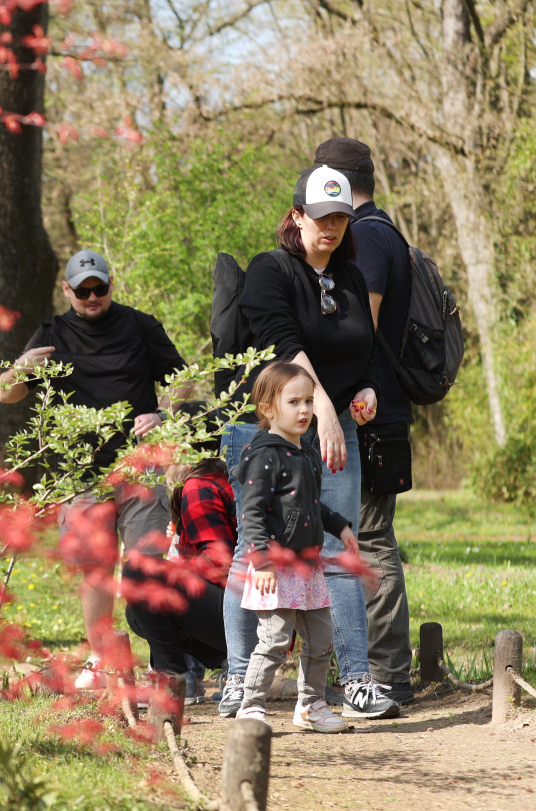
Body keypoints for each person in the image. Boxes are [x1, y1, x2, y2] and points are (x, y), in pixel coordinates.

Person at [217, 165, 401, 720]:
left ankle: (355, 681)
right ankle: (238, 679)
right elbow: (283, 343)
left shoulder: (349, 278)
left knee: (340, 551)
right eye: (321, 216)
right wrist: (320, 407)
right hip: (266, 428)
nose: (331, 226)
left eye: (340, 216)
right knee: (254, 553)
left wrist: (365, 389)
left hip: (334, 424)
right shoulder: (269, 270)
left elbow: (365, 348)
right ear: (297, 216)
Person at [0, 249, 187, 690]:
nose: (92, 297)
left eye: (99, 288)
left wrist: (162, 414)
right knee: (95, 569)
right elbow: (7, 394)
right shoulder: (51, 334)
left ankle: (162, 665)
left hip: (140, 469)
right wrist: (20, 369)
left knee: (146, 567)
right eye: (82, 291)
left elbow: (181, 379)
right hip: (80, 473)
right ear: (67, 290)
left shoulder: (140, 326)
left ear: (109, 284)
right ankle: (102, 661)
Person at [313, 137, 416, 705]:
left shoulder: (368, 239)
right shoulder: (385, 232)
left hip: (369, 412)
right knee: (366, 536)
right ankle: (376, 669)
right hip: (374, 407)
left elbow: (360, 329)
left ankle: (383, 673)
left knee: (368, 538)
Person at [234, 362, 355, 733]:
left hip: (308, 567)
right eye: (293, 402)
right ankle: (251, 706)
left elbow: (311, 506)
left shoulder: (306, 452)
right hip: (274, 567)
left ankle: (311, 706)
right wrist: (262, 561)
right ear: (268, 409)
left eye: (308, 401)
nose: (304, 410)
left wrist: (340, 526)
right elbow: (252, 512)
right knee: (274, 640)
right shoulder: (263, 454)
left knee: (321, 640)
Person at [122, 442, 234, 694]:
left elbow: (222, 563)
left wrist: (181, 571)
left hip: (244, 613)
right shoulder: (219, 478)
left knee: (138, 572)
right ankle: (209, 671)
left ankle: (172, 680)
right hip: (246, 612)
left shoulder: (198, 487)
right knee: (137, 612)